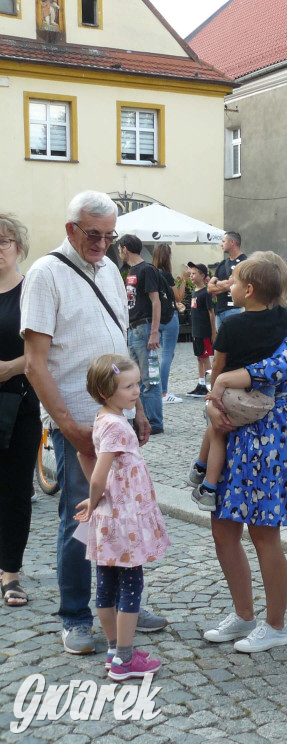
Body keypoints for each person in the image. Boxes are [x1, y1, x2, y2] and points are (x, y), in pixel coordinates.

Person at [22, 190, 166, 654]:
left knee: (124, 517)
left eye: (109, 236)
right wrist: (67, 426)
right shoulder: (45, 275)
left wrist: (139, 406)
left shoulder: (109, 269)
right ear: (70, 230)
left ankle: (125, 604)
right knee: (81, 520)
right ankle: (75, 616)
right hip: (79, 426)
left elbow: (120, 348)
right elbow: (34, 364)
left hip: (116, 422)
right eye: (93, 235)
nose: (102, 244)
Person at [200, 256, 287, 653]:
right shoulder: (273, 317)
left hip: (271, 434)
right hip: (231, 426)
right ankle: (243, 614)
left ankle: (276, 624)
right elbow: (218, 376)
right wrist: (215, 401)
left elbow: (281, 367)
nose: (227, 282)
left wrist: (226, 381)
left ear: (251, 289)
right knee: (222, 526)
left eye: (234, 279)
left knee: (265, 533)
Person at [76, 354, 169, 681]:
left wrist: (95, 501)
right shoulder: (116, 426)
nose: (136, 391)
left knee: (106, 585)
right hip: (124, 519)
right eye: (128, 386)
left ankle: (115, 650)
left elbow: (82, 454)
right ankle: (125, 660)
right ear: (105, 392)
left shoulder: (103, 419)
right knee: (131, 585)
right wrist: (93, 496)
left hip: (109, 517)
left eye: (137, 384)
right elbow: (100, 474)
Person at [187, 258, 287, 511]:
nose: (230, 287)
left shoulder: (231, 324)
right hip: (265, 399)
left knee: (216, 429)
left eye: (234, 283)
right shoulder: (284, 318)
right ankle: (199, 468)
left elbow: (217, 366)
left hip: (234, 395)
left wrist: (213, 394)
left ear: (248, 291)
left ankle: (207, 485)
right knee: (214, 426)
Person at [0, 213, 39, 607]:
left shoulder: (31, 292)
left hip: (20, 403)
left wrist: (8, 368)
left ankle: (10, 572)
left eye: (4, 242)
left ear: (18, 248)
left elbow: (40, 352)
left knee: (14, 492)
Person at [119, 234, 164, 435]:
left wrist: (154, 332)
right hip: (133, 329)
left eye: (120, 249)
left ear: (125, 249)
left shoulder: (147, 269)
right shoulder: (130, 271)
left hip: (145, 329)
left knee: (150, 378)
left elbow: (156, 301)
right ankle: (143, 419)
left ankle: (155, 422)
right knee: (136, 378)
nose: (120, 253)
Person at [151, 244, 183, 404]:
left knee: (158, 356)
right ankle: (163, 392)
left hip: (155, 318)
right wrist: (183, 280)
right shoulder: (167, 275)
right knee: (167, 354)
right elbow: (178, 297)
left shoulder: (151, 272)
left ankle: (156, 390)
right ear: (167, 256)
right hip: (170, 317)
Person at [185, 262, 216, 398]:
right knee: (199, 358)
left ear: (202, 275)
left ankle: (210, 386)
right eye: (190, 273)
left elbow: (211, 312)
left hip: (204, 331)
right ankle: (201, 383)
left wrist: (213, 332)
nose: (191, 276)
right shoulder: (194, 292)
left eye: (194, 273)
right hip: (195, 331)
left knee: (205, 358)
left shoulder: (206, 292)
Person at [208, 231, 247, 330]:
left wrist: (217, 283)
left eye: (223, 241)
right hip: (219, 312)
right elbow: (209, 288)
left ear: (232, 242)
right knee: (222, 344)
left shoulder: (244, 262)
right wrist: (221, 284)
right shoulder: (222, 264)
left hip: (235, 310)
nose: (221, 244)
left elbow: (229, 286)